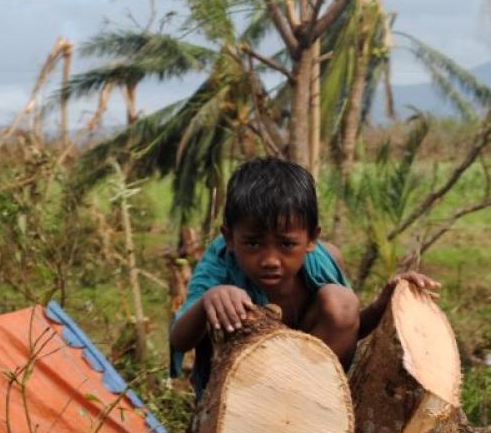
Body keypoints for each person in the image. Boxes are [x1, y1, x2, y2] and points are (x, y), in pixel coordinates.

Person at [168, 157, 439, 398]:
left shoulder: (325, 261)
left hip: (307, 392)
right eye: (252, 244)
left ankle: (306, 405)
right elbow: (179, 339)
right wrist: (208, 301)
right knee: (226, 303)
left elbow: (348, 328)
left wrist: (383, 304)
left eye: (286, 244)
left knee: (341, 300)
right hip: (237, 397)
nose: (270, 260)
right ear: (229, 237)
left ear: (311, 239)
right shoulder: (219, 267)